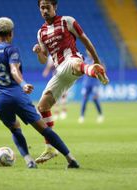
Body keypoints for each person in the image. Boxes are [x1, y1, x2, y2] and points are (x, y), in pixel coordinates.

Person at [0, 17, 79, 169]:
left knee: (15, 128)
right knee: (44, 129)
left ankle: (29, 161)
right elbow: (14, 69)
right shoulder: (10, 49)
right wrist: (23, 84)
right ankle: (71, 159)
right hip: (16, 95)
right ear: (11, 33)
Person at [33, 0, 109, 164]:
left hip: (73, 60)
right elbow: (43, 59)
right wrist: (39, 52)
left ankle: (93, 69)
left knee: (74, 64)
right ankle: (50, 149)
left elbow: (85, 40)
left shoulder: (67, 21)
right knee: (42, 106)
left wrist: (97, 61)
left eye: (48, 7)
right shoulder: (41, 33)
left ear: (55, 7)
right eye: (42, 7)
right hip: (60, 72)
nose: (45, 10)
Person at [78, 50, 104, 124]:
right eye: (88, 51)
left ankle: (100, 115)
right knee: (84, 99)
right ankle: (82, 116)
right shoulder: (85, 60)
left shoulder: (98, 60)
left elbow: (103, 70)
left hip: (95, 83)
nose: (89, 53)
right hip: (86, 83)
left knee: (95, 99)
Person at [42, 55, 68, 120]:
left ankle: (64, 111)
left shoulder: (63, 53)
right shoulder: (50, 57)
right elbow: (49, 66)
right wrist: (47, 71)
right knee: (55, 95)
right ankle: (56, 113)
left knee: (63, 95)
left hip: (64, 77)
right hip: (55, 77)